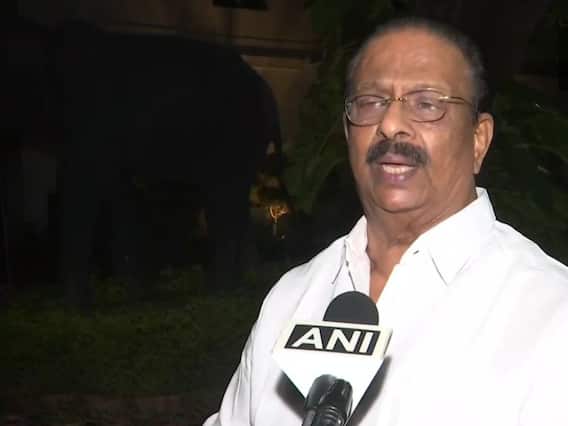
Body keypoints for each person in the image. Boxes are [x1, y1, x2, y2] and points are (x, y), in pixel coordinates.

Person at [204, 17, 568, 426]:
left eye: (426, 103)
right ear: (348, 134)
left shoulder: (551, 313)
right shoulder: (291, 298)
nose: (391, 125)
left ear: (478, 139)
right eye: (371, 102)